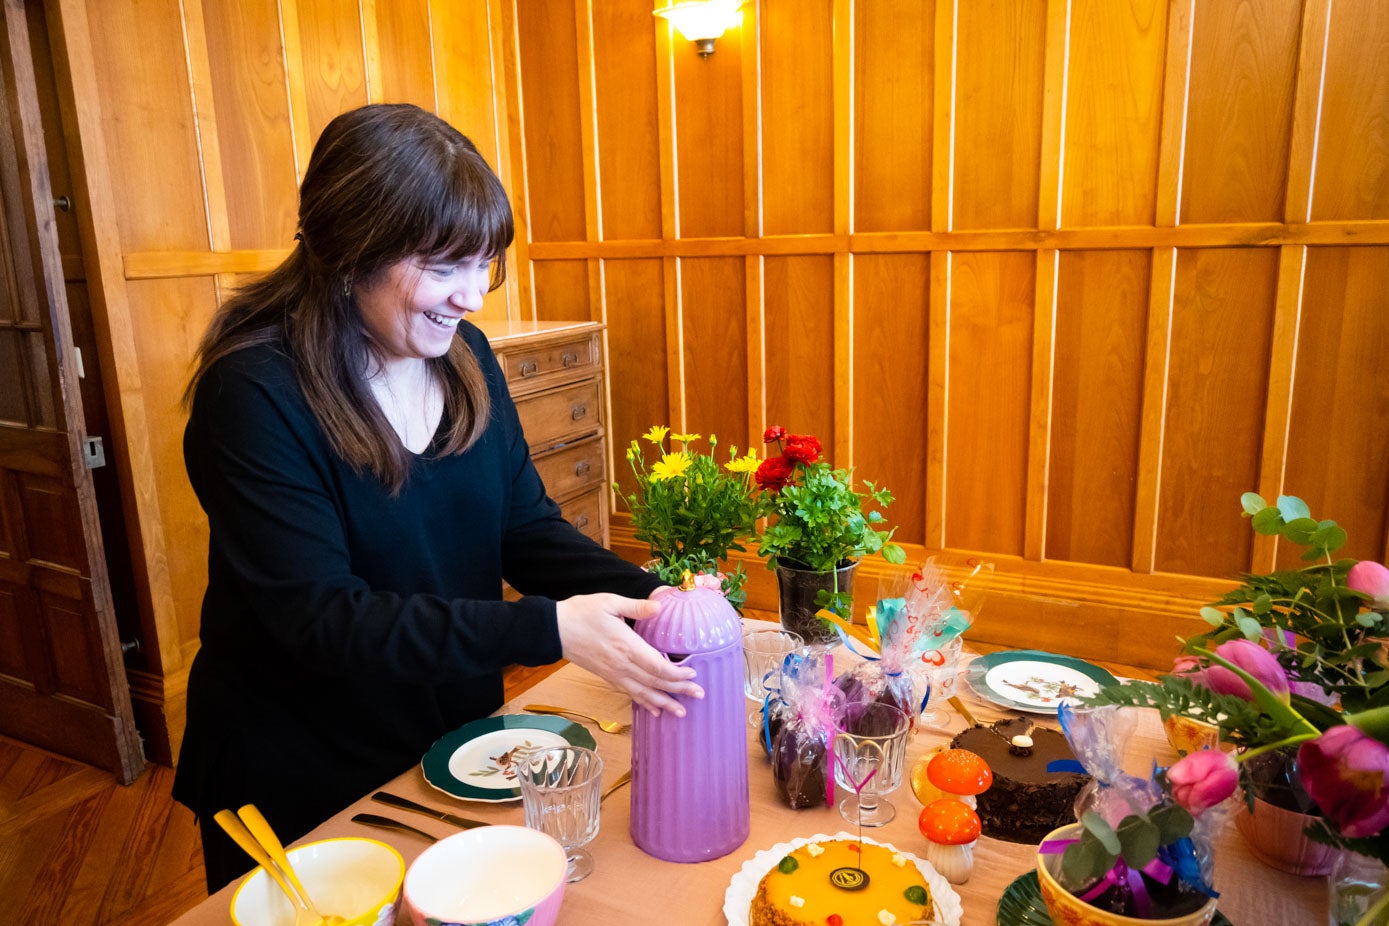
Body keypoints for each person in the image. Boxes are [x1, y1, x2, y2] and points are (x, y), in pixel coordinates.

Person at [172, 102, 701, 892]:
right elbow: (320, 618)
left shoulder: (463, 356)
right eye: (444, 266)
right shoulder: (253, 392)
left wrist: (654, 597)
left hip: (446, 740)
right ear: (350, 251)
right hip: (299, 763)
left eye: (483, 264)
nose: (473, 297)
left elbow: (522, 528)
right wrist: (547, 627)